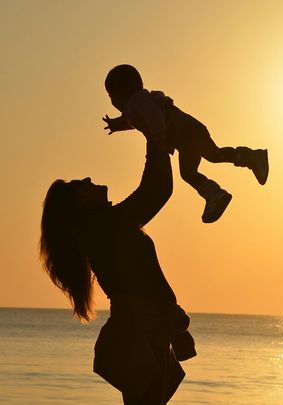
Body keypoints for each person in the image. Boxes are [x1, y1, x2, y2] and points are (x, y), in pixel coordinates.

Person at [40, 139, 196, 404]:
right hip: (140, 332)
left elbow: (155, 191)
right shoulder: (104, 227)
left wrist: (156, 139)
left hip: (145, 329)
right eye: (81, 185)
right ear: (81, 204)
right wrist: (154, 136)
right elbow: (155, 191)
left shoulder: (103, 227)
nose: (89, 179)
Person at [102, 64, 269, 223]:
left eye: (110, 96)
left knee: (195, 167)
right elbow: (133, 120)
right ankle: (246, 162)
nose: (112, 101)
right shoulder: (139, 103)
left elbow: (153, 117)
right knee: (211, 156)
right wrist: (116, 125)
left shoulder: (137, 102)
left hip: (185, 133)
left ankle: (217, 192)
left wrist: (158, 138)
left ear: (118, 94)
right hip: (188, 132)